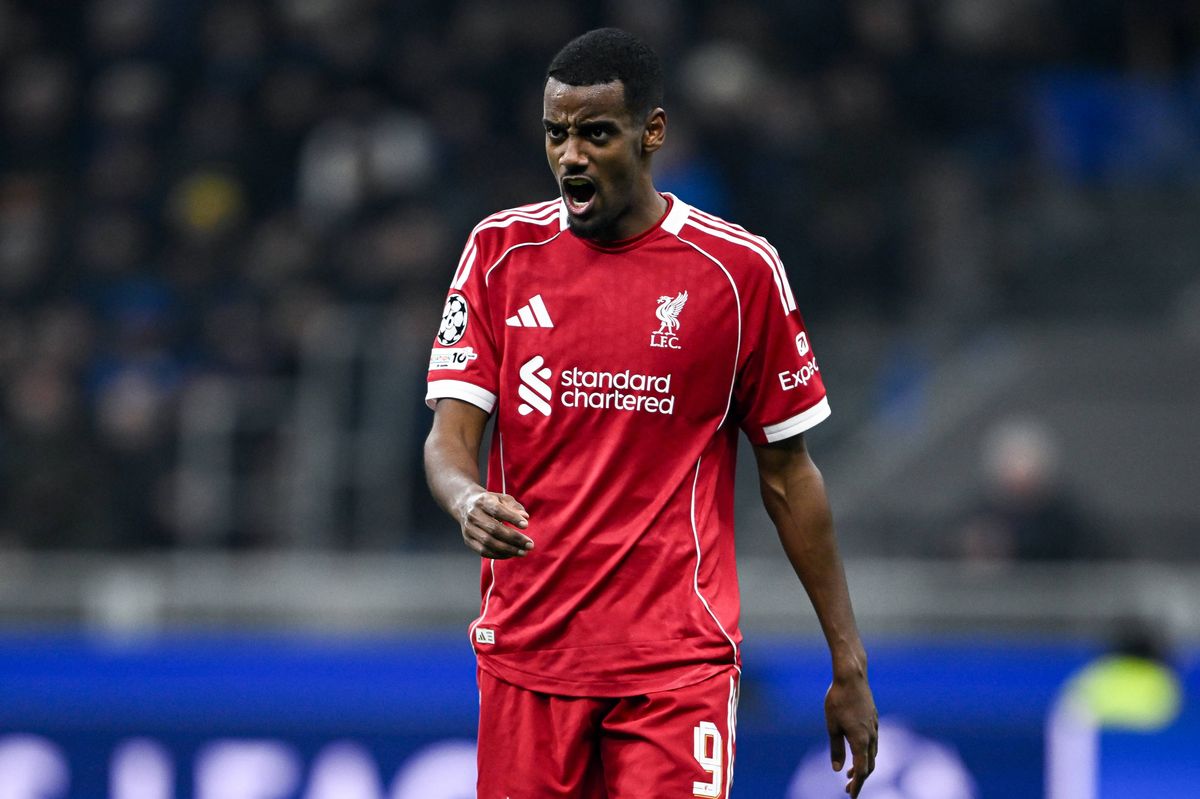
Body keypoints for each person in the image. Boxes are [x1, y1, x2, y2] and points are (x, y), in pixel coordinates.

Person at [424, 28, 877, 798]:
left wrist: (849, 662)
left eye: (596, 134)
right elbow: (448, 438)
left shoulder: (738, 273)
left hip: (675, 666)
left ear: (651, 132)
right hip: (529, 657)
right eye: (556, 134)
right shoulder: (499, 253)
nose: (571, 155)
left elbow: (788, 476)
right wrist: (466, 498)